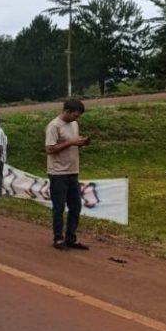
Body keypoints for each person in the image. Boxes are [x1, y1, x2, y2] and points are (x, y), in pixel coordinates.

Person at [45, 99, 91, 251]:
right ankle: (58, 239)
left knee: (76, 206)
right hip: (58, 173)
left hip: (73, 171)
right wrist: (70, 143)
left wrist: (81, 143)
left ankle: (71, 238)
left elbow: (72, 142)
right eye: (75, 115)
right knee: (59, 207)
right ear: (67, 111)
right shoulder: (54, 126)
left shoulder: (74, 124)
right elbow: (49, 149)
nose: (76, 119)